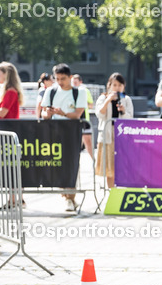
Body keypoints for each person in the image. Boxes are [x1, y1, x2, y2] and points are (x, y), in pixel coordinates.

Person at [40, 63, 89, 212]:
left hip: (71, 132)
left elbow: (77, 114)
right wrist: (47, 114)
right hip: (54, 131)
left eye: (63, 79)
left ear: (70, 77)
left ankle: (70, 197)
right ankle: (66, 195)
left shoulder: (78, 92)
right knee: (58, 165)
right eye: (57, 79)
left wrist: (63, 114)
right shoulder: (50, 91)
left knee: (71, 164)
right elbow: (43, 113)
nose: (60, 82)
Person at [94, 73, 133, 188]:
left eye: (120, 85)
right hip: (108, 135)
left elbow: (130, 118)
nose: (117, 88)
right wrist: (107, 101)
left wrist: (123, 111)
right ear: (109, 85)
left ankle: (121, 192)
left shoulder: (126, 99)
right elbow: (99, 114)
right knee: (109, 169)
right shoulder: (103, 98)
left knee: (122, 167)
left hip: (122, 136)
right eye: (114, 85)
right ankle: (111, 192)